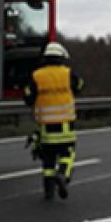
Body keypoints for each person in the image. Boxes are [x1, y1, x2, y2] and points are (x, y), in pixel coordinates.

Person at [23, 42, 84, 200]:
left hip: (46, 127)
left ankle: (48, 191)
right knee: (67, 154)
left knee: (48, 160)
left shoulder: (36, 75)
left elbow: (28, 96)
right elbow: (80, 86)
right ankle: (63, 175)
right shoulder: (68, 73)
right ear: (61, 58)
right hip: (66, 125)